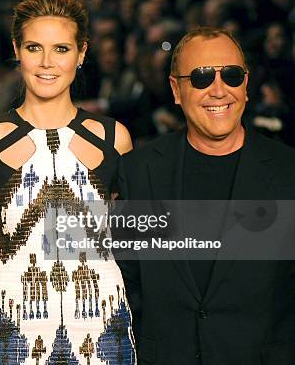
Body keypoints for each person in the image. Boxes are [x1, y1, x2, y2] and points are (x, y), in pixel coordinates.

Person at [0, 0, 136, 364]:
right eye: (34, 47)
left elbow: (128, 242)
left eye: (61, 49)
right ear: (16, 49)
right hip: (12, 330)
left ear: (82, 53)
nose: (46, 62)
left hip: (103, 324)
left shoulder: (114, 139)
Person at [116, 27, 295, 364]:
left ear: (245, 84)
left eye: (231, 75)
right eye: (200, 78)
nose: (218, 90)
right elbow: (121, 283)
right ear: (176, 89)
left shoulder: (288, 172)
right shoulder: (139, 172)